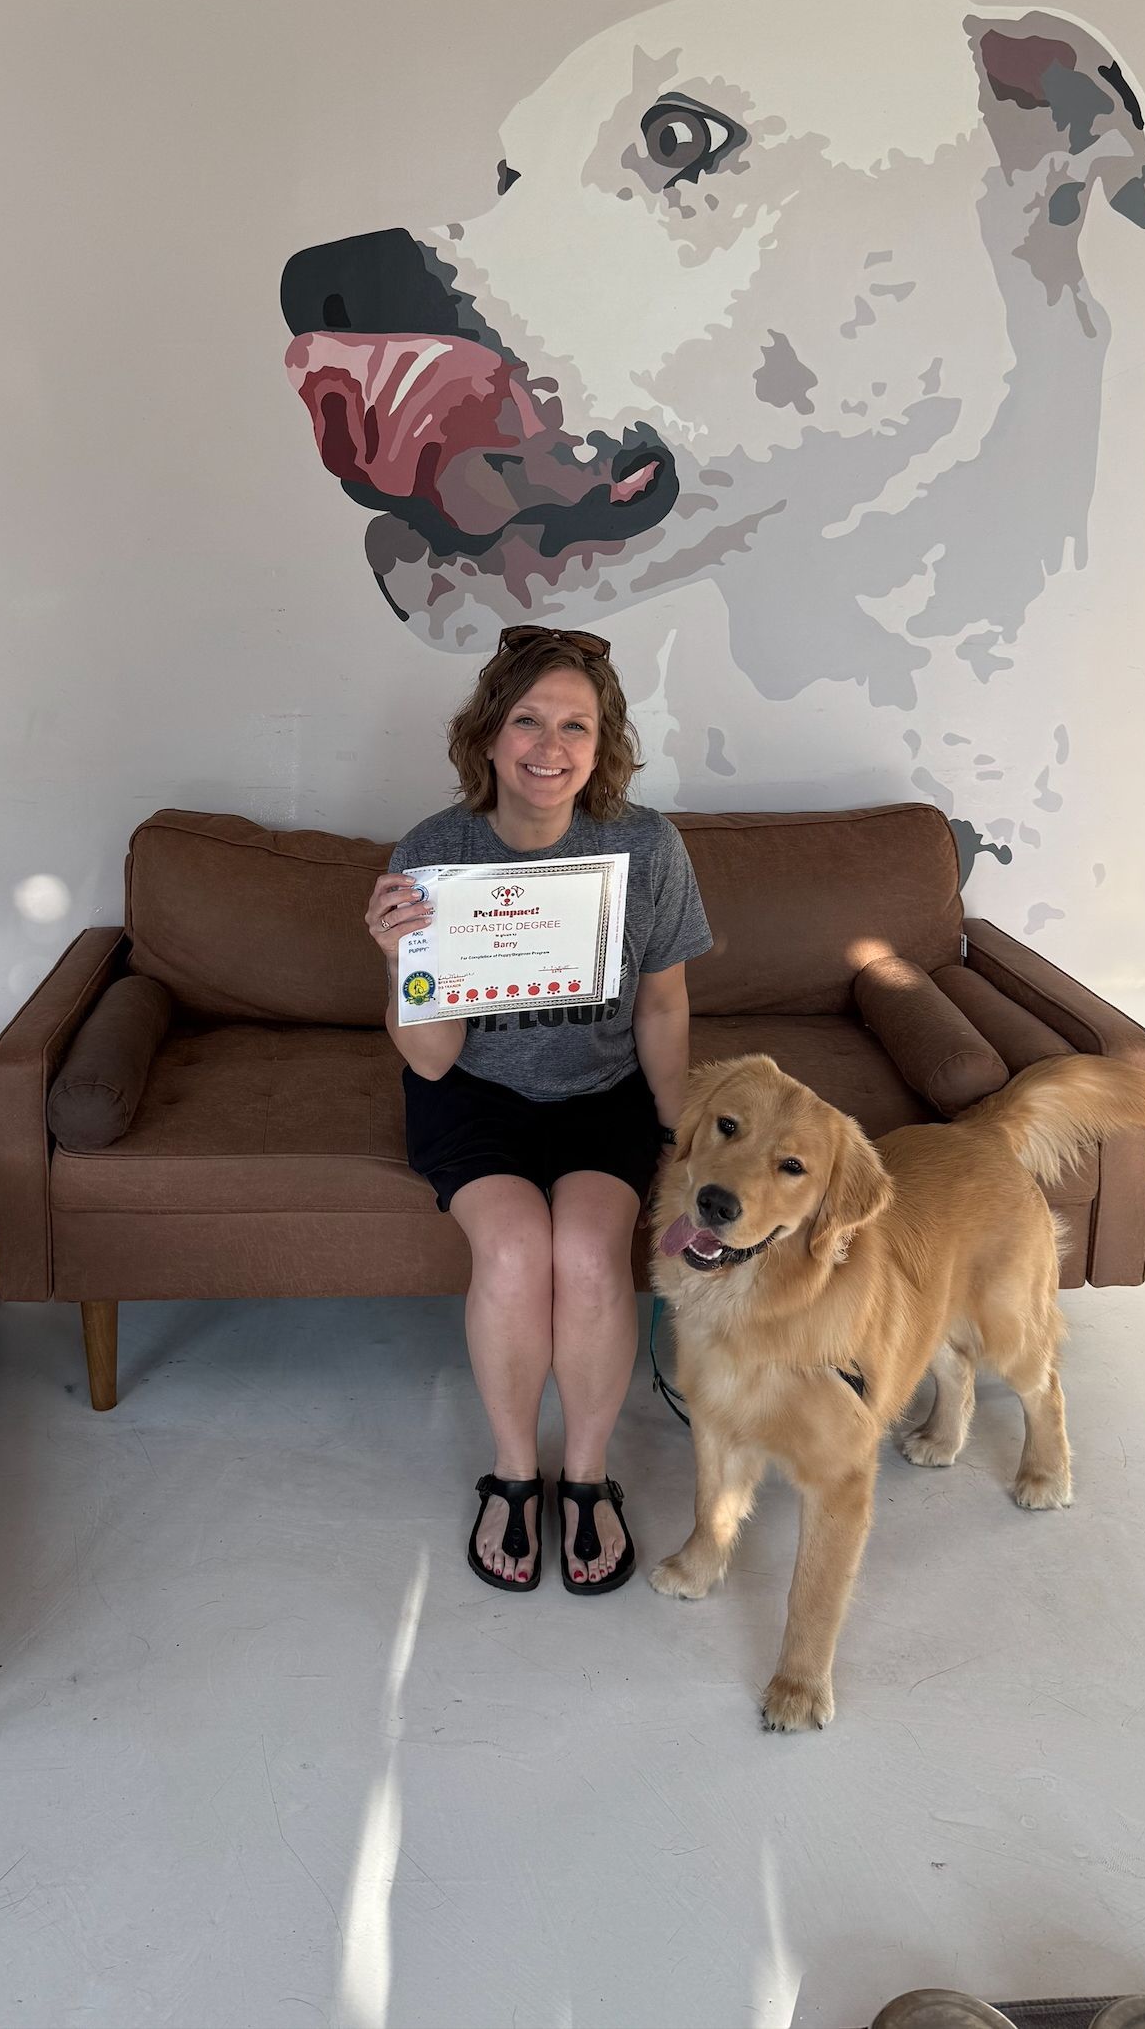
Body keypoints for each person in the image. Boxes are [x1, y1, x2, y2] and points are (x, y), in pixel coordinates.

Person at [365, 625, 712, 1594]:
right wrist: (401, 962)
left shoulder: (646, 846)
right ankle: (515, 1471)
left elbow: (662, 1002)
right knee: (515, 1249)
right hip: (469, 1093)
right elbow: (431, 1055)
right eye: (526, 719)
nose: (548, 746)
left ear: (602, 747)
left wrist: (681, 1131)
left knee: (590, 1254)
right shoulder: (434, 851)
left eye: (575, 725)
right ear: (487, 735)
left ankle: (587, 1473)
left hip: (603, 1093)